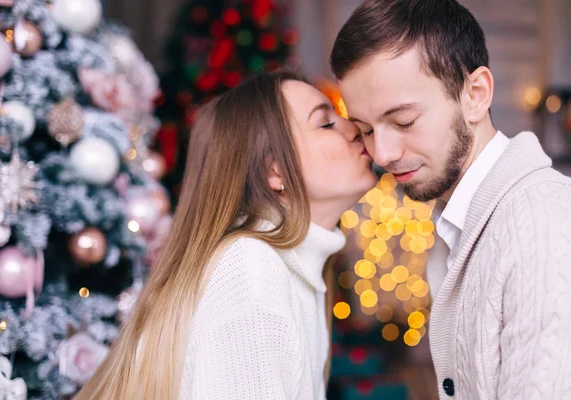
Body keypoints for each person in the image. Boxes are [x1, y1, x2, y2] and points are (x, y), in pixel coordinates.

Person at [331, 0, 571, 399]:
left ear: (475, 94)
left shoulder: (546, 222)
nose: (382, 154)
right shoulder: (461, 219)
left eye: (403, 121)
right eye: (365, 129)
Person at [75, 70, 377, 399]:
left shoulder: (293, 268)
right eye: (326, 122)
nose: (356, 129)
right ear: (274, 171)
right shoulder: (252, 271)